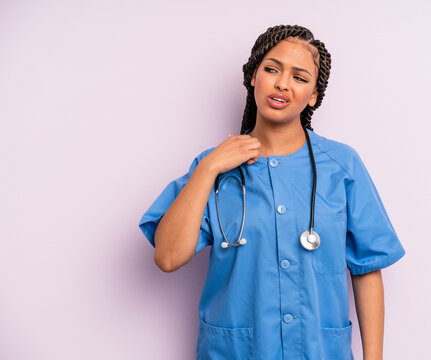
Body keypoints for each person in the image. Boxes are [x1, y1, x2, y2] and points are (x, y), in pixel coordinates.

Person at [139, 24, 405, 360]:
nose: (282, 83)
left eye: (299, 77)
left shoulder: (342, 165)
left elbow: (367, 268)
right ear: (253, 76)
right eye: (272, 69)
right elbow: (167, 257)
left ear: (313, 97)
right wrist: (209, 168)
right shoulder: (214, 168)